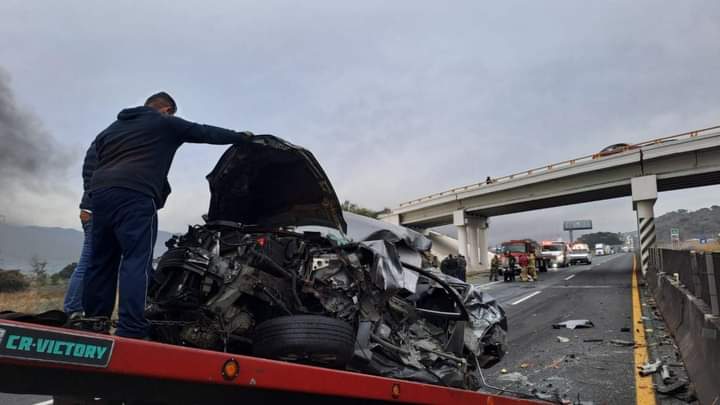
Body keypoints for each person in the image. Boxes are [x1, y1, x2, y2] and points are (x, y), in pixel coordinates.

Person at [81, 92, 254, 339]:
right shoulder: (163, 122)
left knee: (101, 261)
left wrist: (90, 196)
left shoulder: (111, 129)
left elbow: (92, 163)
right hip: (135, 196)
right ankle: (131, 327)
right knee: (135, 260)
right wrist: (241, 138)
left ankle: (94, 322)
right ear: (167, 110)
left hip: (100, 196)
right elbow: (204, 132)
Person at [63, 143, 96, 317]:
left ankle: (77, 309)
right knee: (88, 262)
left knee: (90, 262)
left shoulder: (103, 139)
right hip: (96, 209)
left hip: (90, 208)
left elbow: (88, 174)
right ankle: (73, 310)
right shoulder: (112, 140)